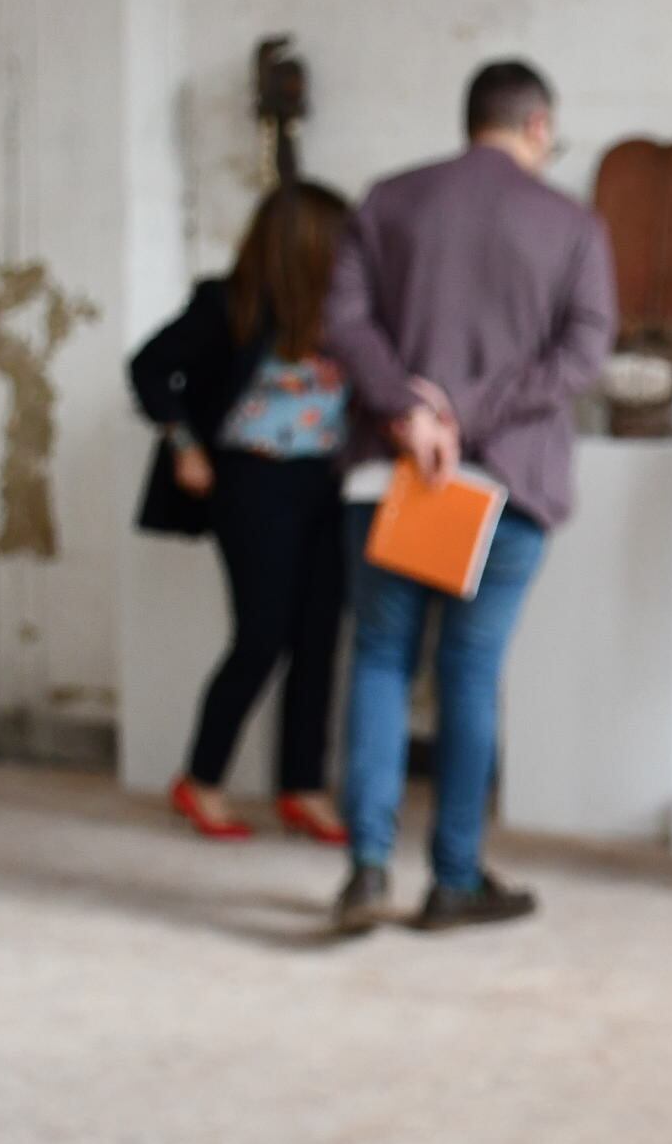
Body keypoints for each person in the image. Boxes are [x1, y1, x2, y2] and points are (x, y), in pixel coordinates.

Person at [321, 60, 616, 934]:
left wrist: (413, 409)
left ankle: (366, 870)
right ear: (536, 126)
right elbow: (584, 354)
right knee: (469, 675)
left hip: (391, 477)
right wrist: (473, 409)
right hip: (506, 484)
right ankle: (454, 878)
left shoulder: (386, 201)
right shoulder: (570, 223)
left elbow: (343, 322)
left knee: (379, 662)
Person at [128, 182, 355, 846]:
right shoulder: (226, 304)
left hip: (328, 482)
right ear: (306, 245)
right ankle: (199, 780)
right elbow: (148, 368)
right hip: (251, 481)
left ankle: (304, 787)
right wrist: (184, 444)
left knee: (319, 639)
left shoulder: (343, 311)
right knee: (262, 636)